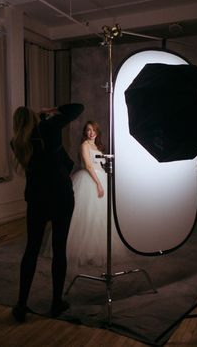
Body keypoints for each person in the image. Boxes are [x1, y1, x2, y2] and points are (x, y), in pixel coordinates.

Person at [11, 103, 84, 322]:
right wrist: (52, 111)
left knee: (31, 249)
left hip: (36, 199)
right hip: (60, 196)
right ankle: (56, 303)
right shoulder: (49, 128)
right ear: (34, 117)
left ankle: (21, 304)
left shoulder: (16, 142)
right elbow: (77, 108)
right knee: (58, 249)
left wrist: (41, 121)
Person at [41, 120, 132, 276]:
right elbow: (89, 166)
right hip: (89, 179)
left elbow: (100, 165)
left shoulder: (98, 147)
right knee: (85, 216)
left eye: (94, 130)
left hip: (101, 178)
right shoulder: (84, 145)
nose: (91, 133)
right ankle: (84, 251)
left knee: (101, 217)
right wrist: (98, 184)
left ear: (97, 132)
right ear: (85, 132)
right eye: (88, 130)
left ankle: (97, 250)